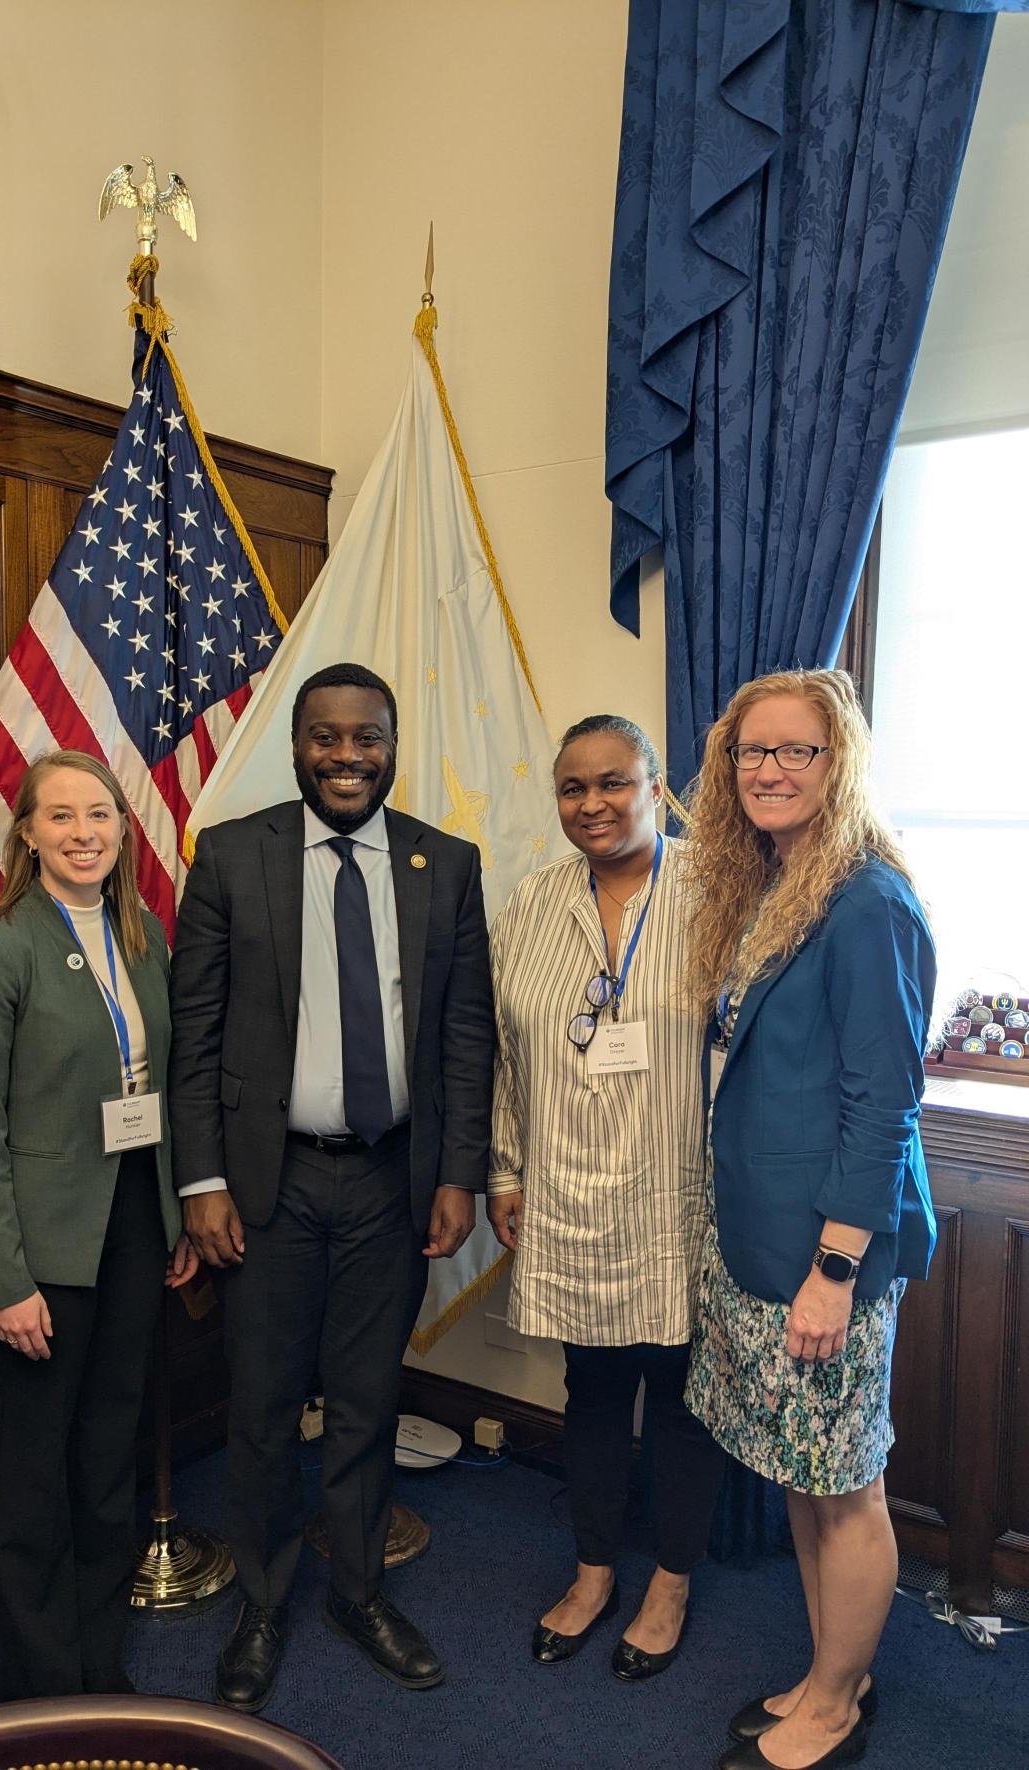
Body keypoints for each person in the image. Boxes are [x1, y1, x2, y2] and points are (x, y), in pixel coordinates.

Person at [168, 660, 495, 1713]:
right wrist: (201, 1179)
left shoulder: (445, 864)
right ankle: (263, 1602)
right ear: (297, 746)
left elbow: (465, 1035)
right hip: (269, 1181)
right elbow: (194, 1034)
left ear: (391, 747)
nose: (346, 756)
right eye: (326, 736)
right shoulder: (232, 855)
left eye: (366, 737)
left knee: (366, 1401)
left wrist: (457, 1173)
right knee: (264, 1406)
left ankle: (357, 1593)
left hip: (392, 1181)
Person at [680, 669, 937, 1770]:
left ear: (840, 766)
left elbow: (883, 1106)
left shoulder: (868, 901)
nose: (770, 770)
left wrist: (833, 1271)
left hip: (826, 1256)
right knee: (804, 1471)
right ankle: (832, 1671)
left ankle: (833, 1707)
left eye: (797, 751)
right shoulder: (775, 881)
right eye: (753, 752)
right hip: (762, 1239)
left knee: (845, 1487)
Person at [0, 748, 195, 1701]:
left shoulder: (143, 936)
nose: (84, 833)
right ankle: (33, 1685)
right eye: (61, 816)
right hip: (43, 1244)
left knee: (106, 1451)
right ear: (27, 833)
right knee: (33, 1471)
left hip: (132, 1220)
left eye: (99, 815)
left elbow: (158, 1087)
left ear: (123, 828)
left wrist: (171, 1214)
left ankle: (96, 1661)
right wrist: (5, 1279)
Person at [487, 714, 725, 1682]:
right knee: (588, 1392)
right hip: (570, 1191)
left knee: (679, 1399)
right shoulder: (533, 901)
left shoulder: (718, 891)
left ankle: (668, 1584)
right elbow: (505, 1052)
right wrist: (505, 1170)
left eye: (613, 782)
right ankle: (592, 1575)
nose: (592, 804)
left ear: (655, 787)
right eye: (572, 788)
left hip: (681, 1194)